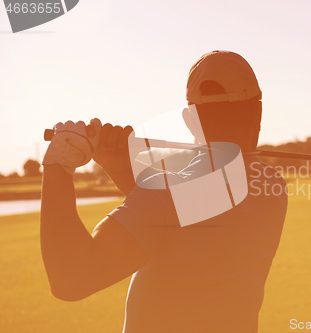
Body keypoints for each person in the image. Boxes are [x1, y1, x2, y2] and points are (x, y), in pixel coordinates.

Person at [40, 50, 288, 332]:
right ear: (259, 111)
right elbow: (178, 226)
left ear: (189, 119)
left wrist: (59, 164)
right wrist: (120, 166)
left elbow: (72, 280)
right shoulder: (271, 184)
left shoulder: (170, 197)